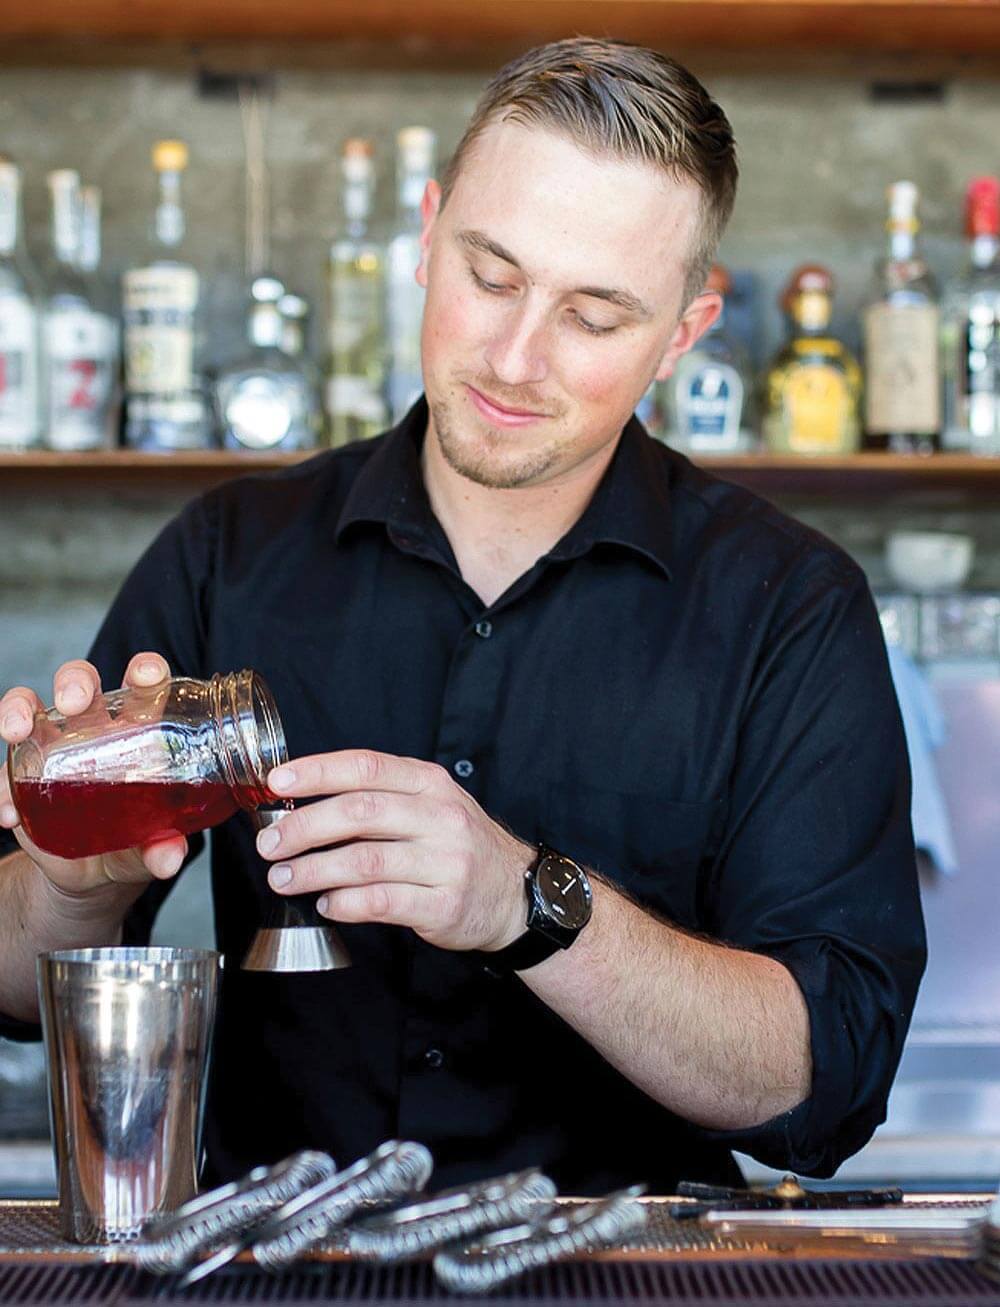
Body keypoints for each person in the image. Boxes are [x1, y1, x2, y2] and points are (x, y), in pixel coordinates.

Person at [0, 38, 925, 1195]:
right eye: (490, 274)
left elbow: (825, 1076)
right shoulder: (227, 552)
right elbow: (13, 980)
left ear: (684, 330)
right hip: (278, 1280)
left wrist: (524, 902)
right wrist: (64, 884)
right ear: (430, 233)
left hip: (629, 1287)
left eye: (594, 314)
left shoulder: (788, 605)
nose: (514, 356)